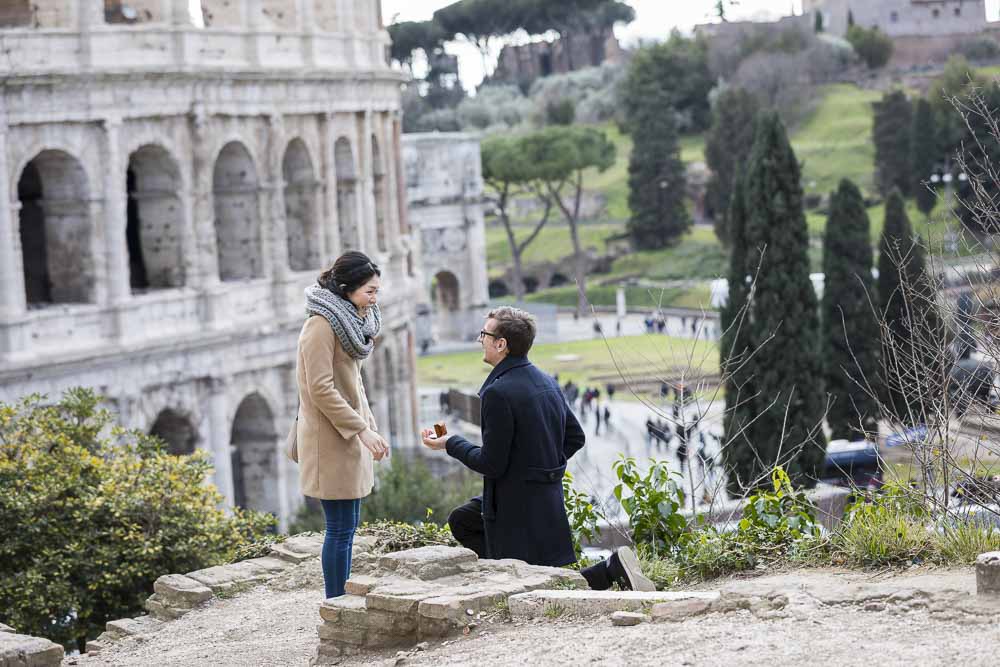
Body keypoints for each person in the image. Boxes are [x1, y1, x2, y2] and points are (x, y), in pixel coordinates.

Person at [420, 306, 654, 591]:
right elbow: (575, 438)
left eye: (484, 334)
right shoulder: (547, 381)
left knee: (535, 584)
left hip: (514, 502)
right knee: (462, 519)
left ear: (501, 344)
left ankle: (608, 570)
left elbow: (491, 464)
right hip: (542, 495)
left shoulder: (497, 393)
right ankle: (609, 569)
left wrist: (449, 443)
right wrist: (543, 470)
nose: (479, 339)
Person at [294, 251, 390, 600]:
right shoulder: (320, 325)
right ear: (347, 288)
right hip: (330, 439)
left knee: (347, 527)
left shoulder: (348, 322)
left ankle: (342, 596)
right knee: (338, 529)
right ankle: (335, 602)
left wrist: (371, 425)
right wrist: (361, 428)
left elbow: (353, 382)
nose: (374, 298)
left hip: (348, 432)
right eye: (370, 291)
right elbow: (319, 387)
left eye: (377, 290)